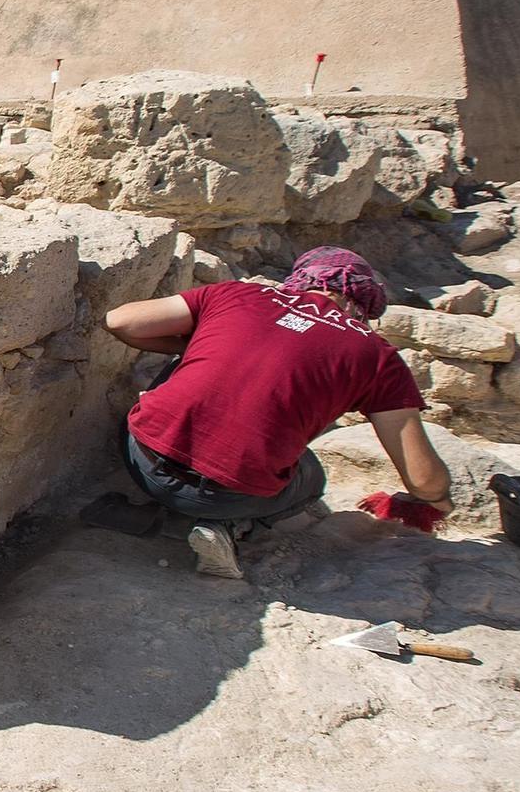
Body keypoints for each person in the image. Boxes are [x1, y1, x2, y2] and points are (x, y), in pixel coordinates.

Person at [102, 246, 454, 580]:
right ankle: (230, 527)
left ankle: (170, 507)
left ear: (304, 280)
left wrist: (196, 345)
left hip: (140, 458)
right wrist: (436, 501)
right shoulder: (376, 356)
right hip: (227, 498)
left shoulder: (238, 294)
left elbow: (121, 321)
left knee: (189, 359)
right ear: (358, 301)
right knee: (311, 475)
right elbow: (423, 479)